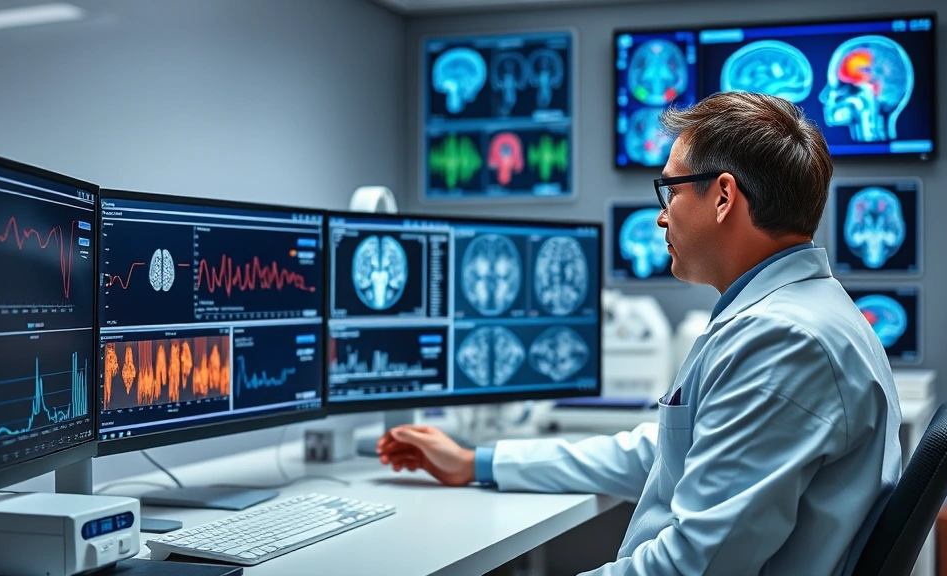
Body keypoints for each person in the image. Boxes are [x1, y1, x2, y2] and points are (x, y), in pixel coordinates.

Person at [377, 92, 902, 575]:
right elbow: (665, 453)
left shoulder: (784, 343)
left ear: (722, 197)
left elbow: (692, 567)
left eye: (668, 190)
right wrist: (478, 461)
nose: (660, 217)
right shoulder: (795, 317)